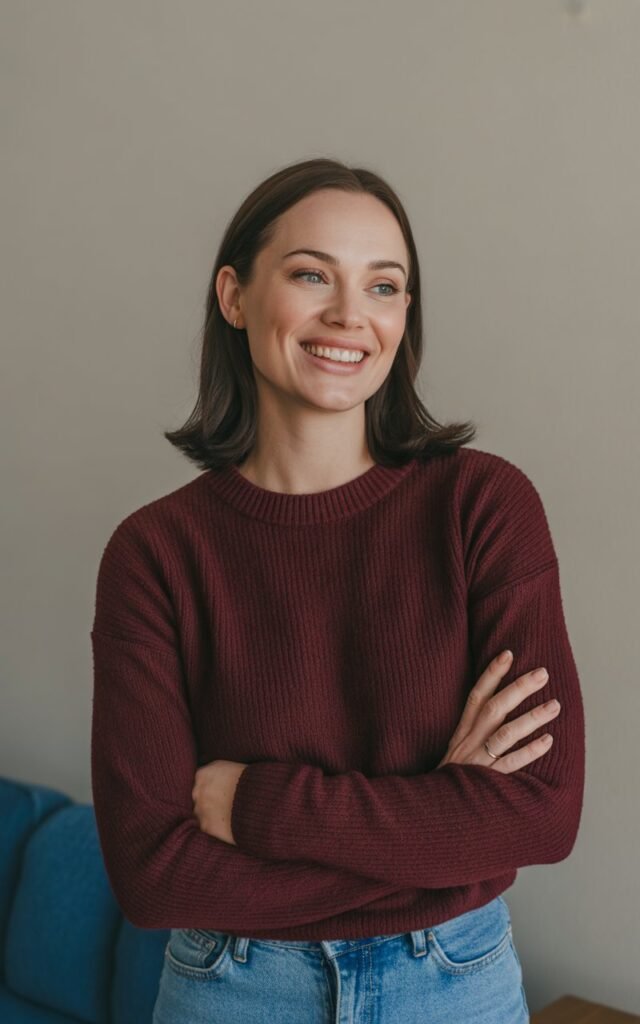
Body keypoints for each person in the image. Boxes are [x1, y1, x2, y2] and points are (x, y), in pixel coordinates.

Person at [90, 157, 585, 1024]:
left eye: (385, 286)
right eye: (312, 274)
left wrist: (255, 804)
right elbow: (151, 872)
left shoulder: (483, 506)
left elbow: (540, 814)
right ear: (235, 296)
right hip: (232, 988)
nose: (351, 316)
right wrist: (439, 826)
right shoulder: (155, 553)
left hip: (452, 981)